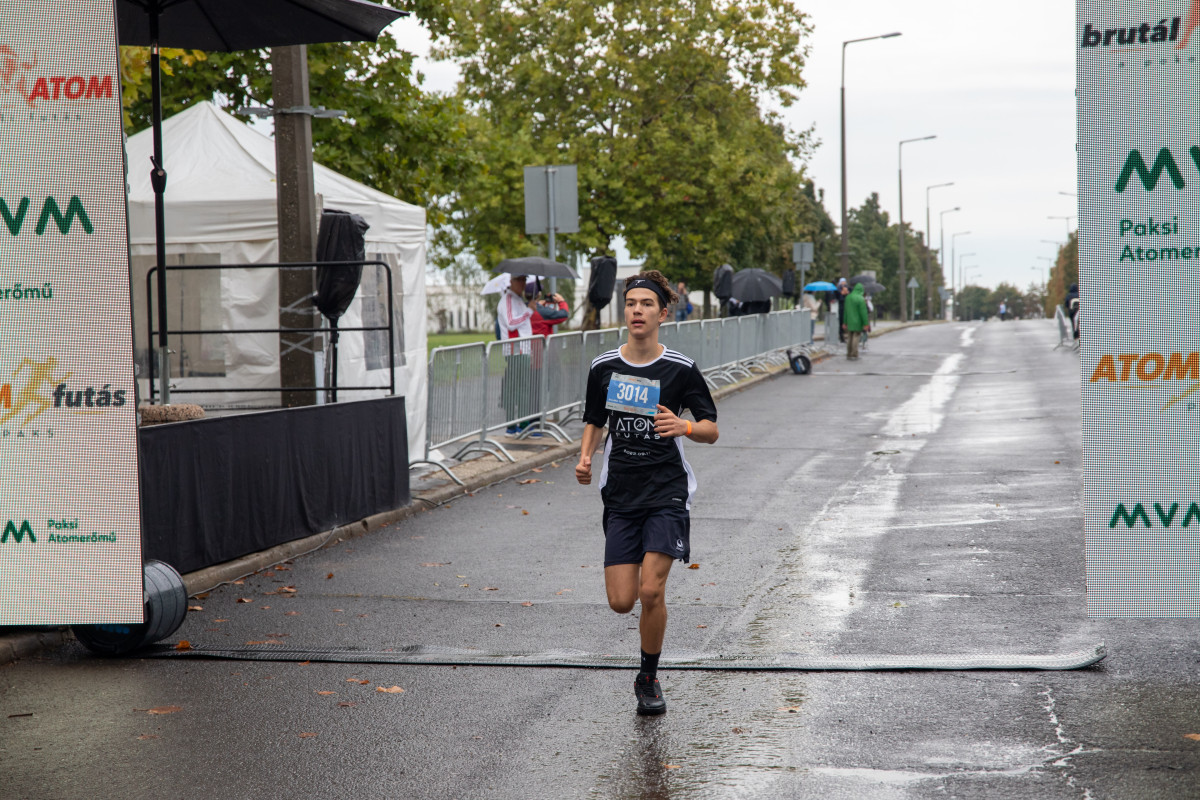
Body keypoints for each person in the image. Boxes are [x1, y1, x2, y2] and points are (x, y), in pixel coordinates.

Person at [576, 270, 719, 716]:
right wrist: (585, 458)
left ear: (663, 314)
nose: (637, 310)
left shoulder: (680, 368)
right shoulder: (604, 367)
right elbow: (594, 419)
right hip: (621, 491)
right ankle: (646, 663)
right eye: (631, 303)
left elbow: (711, 428)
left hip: (666, 490)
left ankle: (648, 676)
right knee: (622, 601)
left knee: (651, 591)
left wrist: (685, 426)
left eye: (646, 304)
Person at [496, 274, 537, 434]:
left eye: (524, 280)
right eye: (519, 280)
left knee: (521, 388)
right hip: (515, 350)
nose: (523, 283)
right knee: (518, 389)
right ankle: (517, 425)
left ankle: (518, 424)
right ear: (511, 281)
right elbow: (511, 323)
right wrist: (529, 310)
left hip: (522, 349)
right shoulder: (508, 299)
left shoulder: (517, 299)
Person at [844, 282, 869, 360]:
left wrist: (844, 322)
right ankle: (854, 353)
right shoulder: (861, 299)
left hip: (849, 321)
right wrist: (866, 323)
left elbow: (845, 311)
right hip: (858, 322)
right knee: (856, 337)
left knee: (850, 337)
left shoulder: (848, 297)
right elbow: (863, 313)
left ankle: (849, 353)